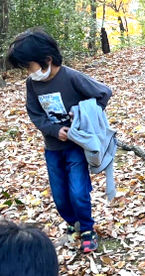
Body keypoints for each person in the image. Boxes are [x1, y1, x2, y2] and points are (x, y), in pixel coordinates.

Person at [7, 28, 112, 253]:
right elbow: (34, 113)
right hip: (53, 147)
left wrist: (84, 115)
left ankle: (86, 229)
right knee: (60, 196)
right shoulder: (32, 84)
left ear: (47, 60)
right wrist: (55, 131)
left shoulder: (71, 76)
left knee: (78, 191)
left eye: (29, 65)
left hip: (76, 146)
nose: (28, 71)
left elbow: (104, 93)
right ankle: (72, 223)